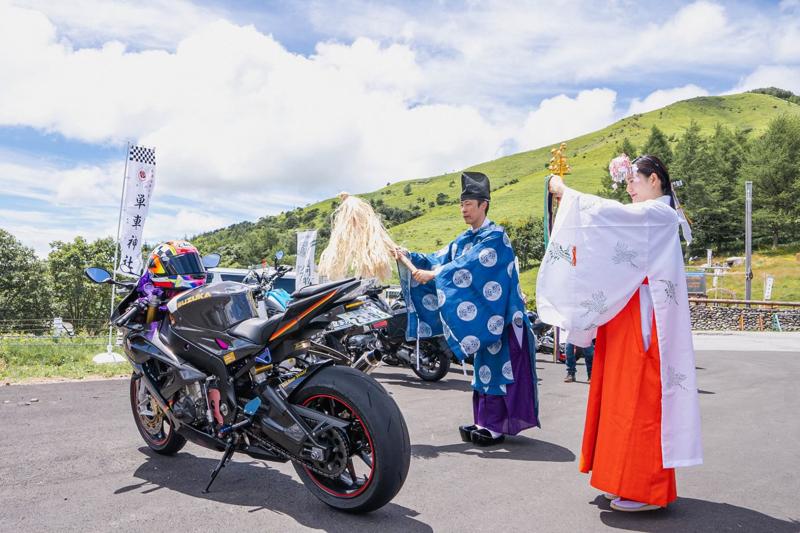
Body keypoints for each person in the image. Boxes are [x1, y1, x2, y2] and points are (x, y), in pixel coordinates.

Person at [536, 155, 702, 512]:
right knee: (619, 398)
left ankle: (646, 488)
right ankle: (621, 477)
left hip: (645, 317)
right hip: (628, 311)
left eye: (634, 182)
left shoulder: (659, 214)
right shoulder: (653, 215)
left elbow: (607, 216)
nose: (629, 189)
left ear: (654, 180)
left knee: (640, 400)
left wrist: (566, 192)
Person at [395, 172, 539, 446]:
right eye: (462, 205)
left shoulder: (496, 237)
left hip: (504, 318)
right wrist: (409, 256)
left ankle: (495, 427)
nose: (464, 210)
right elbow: (438, 258)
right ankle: (482, 421)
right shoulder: (463, 240)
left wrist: (435, 274)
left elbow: (469, 265)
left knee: (497, 369)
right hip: (481, 320)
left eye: (469, 204)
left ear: (484, 204)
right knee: (481, 369)